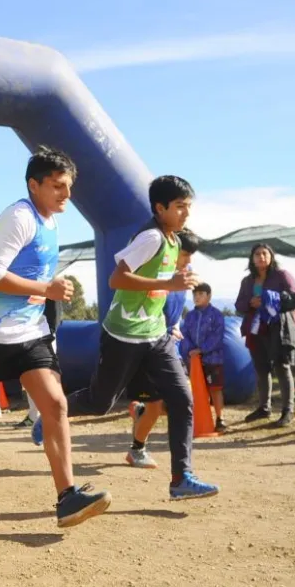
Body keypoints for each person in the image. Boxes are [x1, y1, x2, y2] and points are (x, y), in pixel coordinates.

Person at [0, 147, 113, 526]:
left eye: (68, 186)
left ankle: (67, 496)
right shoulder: (19, 217)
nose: (66, 194)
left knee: (55, 404)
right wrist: (45, 288)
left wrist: (47, 290)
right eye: (57, 186)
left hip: (31, 334)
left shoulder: (51, 221)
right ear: (34, 185)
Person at [64, 175, 220, 501]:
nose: (186, 213)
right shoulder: (151, 237)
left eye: (188, 206)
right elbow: (117, 279)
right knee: (99, 403)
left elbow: (156, 283)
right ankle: (55, 411)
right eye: (180, 206)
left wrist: (172, 283)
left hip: (156, 335)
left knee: (183, 399)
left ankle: (181, 478)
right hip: (123, 335)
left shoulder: (174, 241)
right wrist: (170, 284)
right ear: (160, 208)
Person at [123, 229, 203, 469]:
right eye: (185, 254)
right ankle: (137, 449)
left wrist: (175, 325)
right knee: (157, 405)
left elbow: (175, 305)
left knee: (178, 400)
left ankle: (141, 417)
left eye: (191, 255)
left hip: (168, 342)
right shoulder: (153, 271)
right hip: (146, 342)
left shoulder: (186, 273)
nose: (188, 260)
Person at [235, 244, 295, 427]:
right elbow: (239, 305)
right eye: (257, 254)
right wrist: (251, 302)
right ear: (252, 258)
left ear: (271, 256)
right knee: (261, 369)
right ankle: (264, 408)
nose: (261, 257)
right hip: (255, 329)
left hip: (278, 328)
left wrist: (272, 300)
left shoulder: (282, 276)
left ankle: (289, 410)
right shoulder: (247, 281)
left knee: (282, 367)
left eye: (265, 253)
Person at [182, 283, 227, 426]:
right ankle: (200, 420)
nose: (197, 297)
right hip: (195, 361)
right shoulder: (189, 316)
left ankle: (220, 418)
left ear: (209, 296)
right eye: (195, 294)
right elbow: (185, 335)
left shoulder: (216, 315)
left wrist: (202, 350)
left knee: (215, 389)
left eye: (201, 294)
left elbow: (217, 337)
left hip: (213, 360)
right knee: (198, 390)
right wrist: (191, 351)